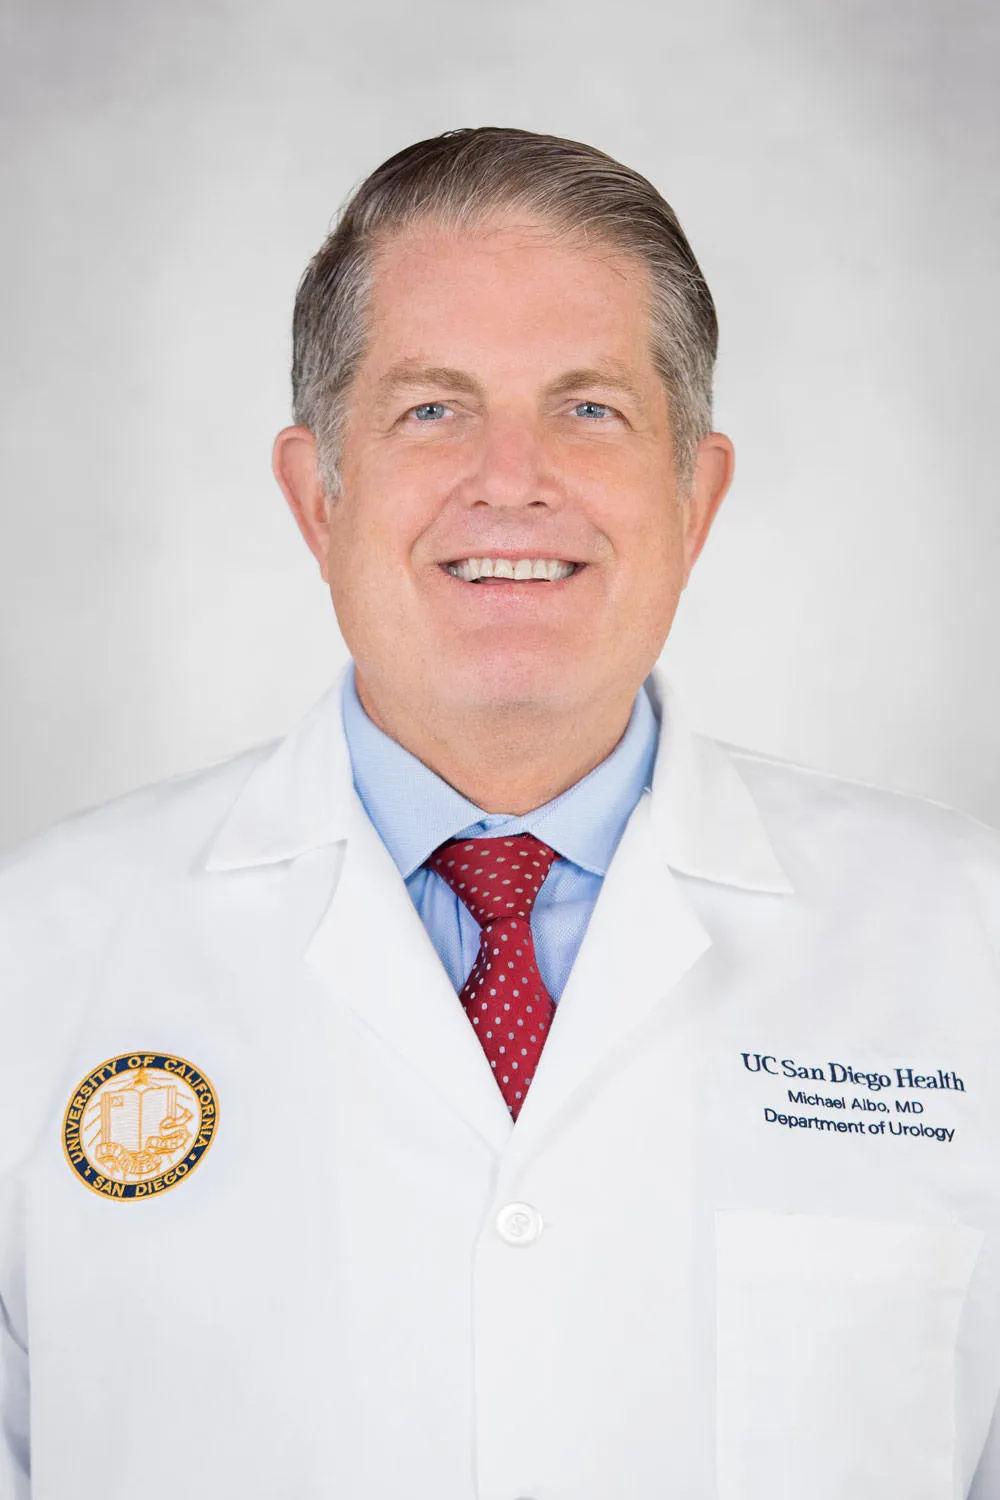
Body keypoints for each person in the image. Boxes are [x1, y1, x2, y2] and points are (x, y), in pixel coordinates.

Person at [1, 125, 998, 1500]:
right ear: (316, 496)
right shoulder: (37, 956)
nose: (512, 477)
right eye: (432, 409)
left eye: (589, 409)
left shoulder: (965, 944)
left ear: (696, 498)